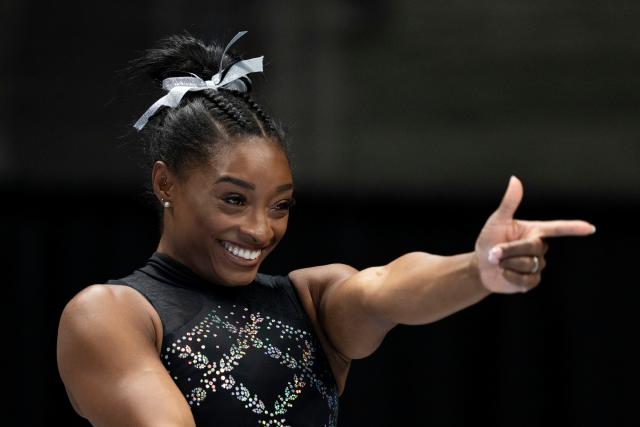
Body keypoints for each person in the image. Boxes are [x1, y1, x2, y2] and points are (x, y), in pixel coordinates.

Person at [56, 31, 596, 427]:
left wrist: (478, 270)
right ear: (165, 183)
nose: (259, 229)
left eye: (280, 205)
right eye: (233, 199)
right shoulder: (113, 314)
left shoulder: (311, 305)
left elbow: (389, 287)